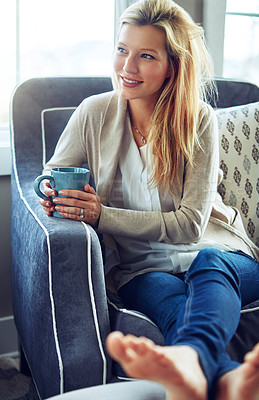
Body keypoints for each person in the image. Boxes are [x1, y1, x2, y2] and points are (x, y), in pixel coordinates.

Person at [40, 0, 259, 399]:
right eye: (122, 49)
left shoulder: (199, 119)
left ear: (173, 65)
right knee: (173, 305)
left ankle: (198, 370)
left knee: (208, 263)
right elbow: (50, 173)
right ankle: (223, 379)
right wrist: (53, 194)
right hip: (141, 268)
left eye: (145, 55)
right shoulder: (94, 113)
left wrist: (102, 215)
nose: (127, 66)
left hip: (219, 253)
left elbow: (191, 224)